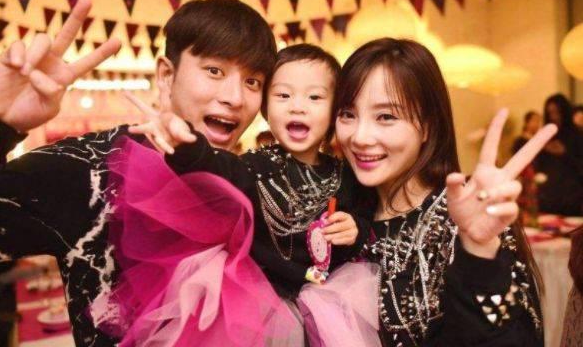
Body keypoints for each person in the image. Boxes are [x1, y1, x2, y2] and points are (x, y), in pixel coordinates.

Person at [0, 0, 277, 345]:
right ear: (166, 75)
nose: (235, 98)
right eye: (215, 71)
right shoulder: (92, 166)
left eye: (253, 82)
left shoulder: (260, 182)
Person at [108, 44, 378, 345]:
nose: (297, 107)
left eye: (314, 97)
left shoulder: (346, 173)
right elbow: (215, 166)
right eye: (283, 95)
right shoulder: (253, 167)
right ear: (265, 108)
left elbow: (367, 217)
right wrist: (186, 144)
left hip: (333, 301)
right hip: (265, 307)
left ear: (336, 110)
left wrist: (355, 230)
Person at [333, 38, 555, 346]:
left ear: (427, 125)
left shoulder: (463, 218)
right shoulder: (340, 212)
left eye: (386, 117)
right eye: (347, 114)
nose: (360, 136)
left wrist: (479, 250)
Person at [534, 94, 583, 215]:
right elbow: (539, 166)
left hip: (571, 195)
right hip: (547, 193)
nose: (553, 117)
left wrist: (564, 153)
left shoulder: (577, 135)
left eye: (557, 112)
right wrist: (541, 149)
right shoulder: (545, 135)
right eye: (550, 113)